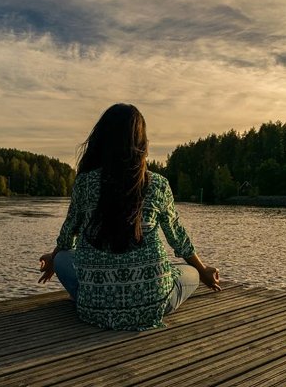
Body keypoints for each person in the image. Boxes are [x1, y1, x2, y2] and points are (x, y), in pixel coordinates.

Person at [38, 103, 220, 331]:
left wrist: (54, 258)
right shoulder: (158, 184)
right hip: (152, 305)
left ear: (101, 140)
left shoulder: (84, 183)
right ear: (141, 143)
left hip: (94, 309)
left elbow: (67, 235)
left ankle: (96, 294)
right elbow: (178, 239)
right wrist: (204, 271)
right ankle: (153, 290)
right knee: (190, 272)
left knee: (64, 257)